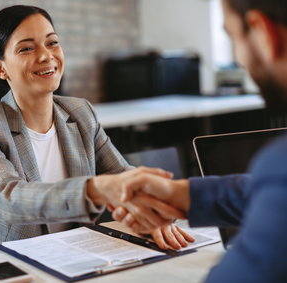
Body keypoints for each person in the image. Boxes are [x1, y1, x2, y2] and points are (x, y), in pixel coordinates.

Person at [0, 5, 194, 252]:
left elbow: (120, 175)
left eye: (52, 43)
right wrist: (96, 190)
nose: (46, 55)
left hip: (72, 256)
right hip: (2, 263)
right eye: (26, 48)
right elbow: (7, 198)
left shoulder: (80, 113)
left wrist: (153, 215)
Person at [112, 0, 287, 281]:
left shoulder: (279, 162)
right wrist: (183, 194)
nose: (240, 58)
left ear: (263, 33)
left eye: (232, 37)